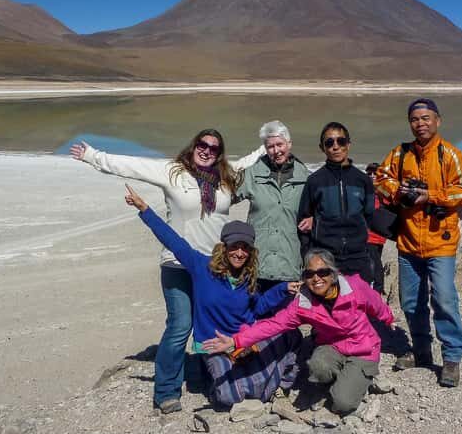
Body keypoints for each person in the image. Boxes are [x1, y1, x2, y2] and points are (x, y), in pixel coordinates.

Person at [69, 130, 262, 414]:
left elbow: (247, 162)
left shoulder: (225, 177)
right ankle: (167, 392)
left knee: (210, 324)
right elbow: (133, 166)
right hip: (178, 263)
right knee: (180, 325)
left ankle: (209, 378)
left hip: (214, 267)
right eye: (202, 145)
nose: (207, 151)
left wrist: (270, 142)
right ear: (193, 145)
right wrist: (93, 156)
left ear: (220, 153)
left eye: (214, 148)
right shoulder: (172, 172)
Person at [123, 184, 301, 408]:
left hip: (243, 341)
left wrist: (283, 290)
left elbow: (257, 308)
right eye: (234, 246)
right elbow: (173, 241)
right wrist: (144, 210)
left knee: (291, 335)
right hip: (214, 345)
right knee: (229, 397)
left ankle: (269, 382)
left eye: (245, 248)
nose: (239, 253)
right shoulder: (202, 267)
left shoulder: (248, 276)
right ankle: (259, 383)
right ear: (224, 247)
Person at [203, 248, 395, 415]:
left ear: (333, 274)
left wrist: (388, 318)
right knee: (318, 366)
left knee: (343, 403)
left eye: (323, 272)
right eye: (309, 274)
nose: (316, 278)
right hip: (332, 346)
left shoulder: (353, 287)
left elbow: (375, 303)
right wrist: (236, 341)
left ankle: (357, 379)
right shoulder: (303, 303)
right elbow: (273, 324)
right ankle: (340, 379)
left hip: (363, 350)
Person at [374, 98, 462, 387]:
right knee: (410, 302)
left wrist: (431, 195)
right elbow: (380, 179)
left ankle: (451, 358)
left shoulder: (450, 155)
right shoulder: (400, 154)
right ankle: (421, 350)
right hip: (408, 242)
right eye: (415, 119)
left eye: (426, 118)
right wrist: (400, 191)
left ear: (437, 120)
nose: (420, 123)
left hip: (440, 243)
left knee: (444, 299)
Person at [234, 120, 310, 292]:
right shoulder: (252, 173)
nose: (276, 151)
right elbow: (225, 197)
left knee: (284, 318)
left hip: (289, 267)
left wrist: (313, 219)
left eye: (280, 144)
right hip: (256, 267)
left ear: (289, 144)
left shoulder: (305, 177)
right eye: (270, 147)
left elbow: (320, 210)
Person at [297, 122, 375, 283]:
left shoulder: (363, 180)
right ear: (322, 147)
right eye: (329, 142)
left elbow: (369, 216)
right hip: (326, 256)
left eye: (341, 141)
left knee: (359, 304)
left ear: (349, 144)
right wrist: (307, 255)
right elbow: (303, 222)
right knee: (328, 305)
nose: (335, 146)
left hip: (358, 256)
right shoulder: (315, 181)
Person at [364, 163, 387, 294]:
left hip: (376, 234)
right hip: (366, 234)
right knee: (372, 261)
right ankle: (375, 289)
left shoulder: (382, 191)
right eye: (369, 174)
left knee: (374, 263)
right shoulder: (364, 190)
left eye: (375, 173)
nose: (372, 176)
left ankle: (377, 290)